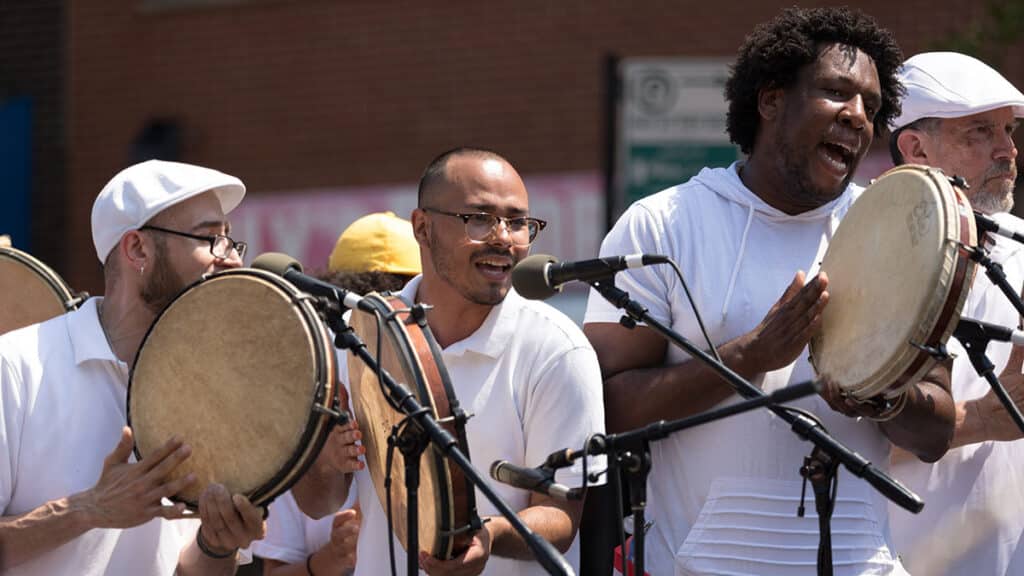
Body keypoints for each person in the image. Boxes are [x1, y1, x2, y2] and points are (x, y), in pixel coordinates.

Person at [583, 7, 956, 575]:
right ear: (771, 99)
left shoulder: (904, 231)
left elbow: (934, 431)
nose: (858, 117)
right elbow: (606, 408)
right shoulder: (663, 225)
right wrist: (749, 357)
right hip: (703, 565)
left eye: (872, 107)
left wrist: (883, 397)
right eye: (836, 92)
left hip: (861, 563)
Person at [292, 147, 606, 575]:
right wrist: (327, 461)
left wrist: (489, 534)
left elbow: (561, 517)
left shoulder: (557, 349)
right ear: (422, 227)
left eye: (518, 222)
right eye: (479, 218)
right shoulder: (352, 334)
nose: (503, 237)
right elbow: (317, 504)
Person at [0, 159, 266, 575]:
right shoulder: (15, 365)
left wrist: (216, 546)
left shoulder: (215, 387)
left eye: (230, 241)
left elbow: (187, 569)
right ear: (137, 249)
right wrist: (88, 509)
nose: (230, 259)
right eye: (209, 238)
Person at [887, 52, 1024, 575]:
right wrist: (981, 419)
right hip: (898, 561)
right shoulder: (859, 259)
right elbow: (831, 435)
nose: (1008, 150)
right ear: (917, 148)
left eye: (1009, 131)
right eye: (980, 133)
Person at [254, 211, 422, 576]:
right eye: (368, 304)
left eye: (404, 301)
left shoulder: (438, 395)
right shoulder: (301, 409)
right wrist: (327, 561)